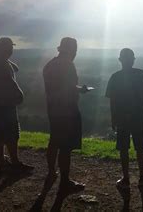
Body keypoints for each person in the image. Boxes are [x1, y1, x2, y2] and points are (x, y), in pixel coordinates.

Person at [43, 37, 90, 194]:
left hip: (53, 108)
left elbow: (58, 87)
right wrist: (81, 89)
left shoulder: (49, 65)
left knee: (54, 141)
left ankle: (51, 172)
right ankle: (64, 181)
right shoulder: (68, 65)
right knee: (66, 147)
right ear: (72, 50)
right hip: (67, 109)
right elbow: (69, 88)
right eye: (75, 50)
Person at [106, 48, 143, 190]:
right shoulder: (140, 74)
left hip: (121, 118)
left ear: (120, 60)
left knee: (123, 148)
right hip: (138, 117)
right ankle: (142, 175)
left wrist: (113, 118)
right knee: (140, 147)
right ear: (133, 59)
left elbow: (112, 101)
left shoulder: (115, 77)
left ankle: (126, 178)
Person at [0, 37, 33, 173]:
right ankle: (14, 162)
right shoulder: (1, 64)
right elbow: (10, 82)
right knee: (12, 134)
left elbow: (15, 69)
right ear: (4, 48)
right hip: (5, 104)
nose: (11, 50)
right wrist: (19, 94)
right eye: (9, 48)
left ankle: (1, 160)